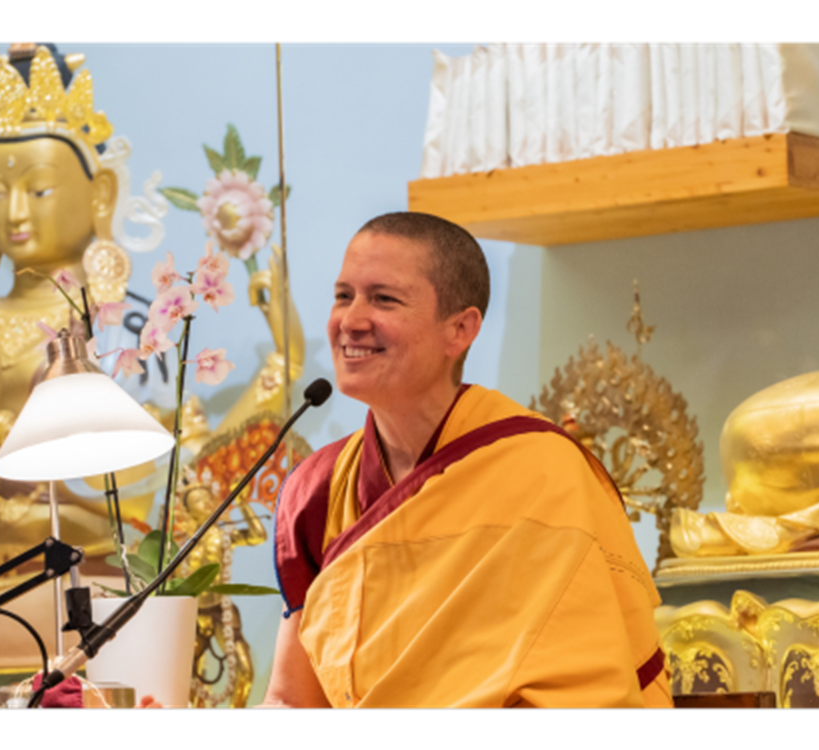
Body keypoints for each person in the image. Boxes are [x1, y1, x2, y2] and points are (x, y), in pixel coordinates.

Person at [263, 212, 672, 708]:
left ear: (460, 329)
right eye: (343, 295)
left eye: (384, 298)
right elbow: (292, 699)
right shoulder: (320, 488)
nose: (351, 320)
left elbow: (585, 689)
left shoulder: (542, 472)